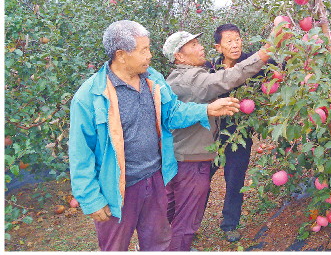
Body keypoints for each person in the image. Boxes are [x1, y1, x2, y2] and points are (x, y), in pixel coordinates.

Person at [68, 20, 239, 251]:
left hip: (155, 180)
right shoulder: (90, 96)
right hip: (118, 189)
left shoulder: (153, 79)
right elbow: (81, 153)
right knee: (115, 247)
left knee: (158, 243)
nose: (149, 55)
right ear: (121, 55)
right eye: (144, 50)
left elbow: (173, 114)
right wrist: (90, 198)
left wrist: (206, 109)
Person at [162, 30, 273, 251]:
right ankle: (177, 243)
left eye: (198, 43)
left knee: (179, 205)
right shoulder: (195, 77)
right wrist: (265, 51)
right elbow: (226, 79)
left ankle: (167, 241)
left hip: (216, 142)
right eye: (193, 45)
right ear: (179, 57)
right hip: (194, 155)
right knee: (188, 208)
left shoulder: (189, 74)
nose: (199, 47)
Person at [208, 23, 276, 242]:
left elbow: (276, 70)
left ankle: (230, 224)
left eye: (237, 39)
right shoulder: (211, 69)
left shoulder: (252, 62)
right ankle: (189, 221)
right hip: (214, 132)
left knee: (235, 179)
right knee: (202, 177)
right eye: (229, 41)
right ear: (218, 47)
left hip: (240, 131)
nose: (235, 45)